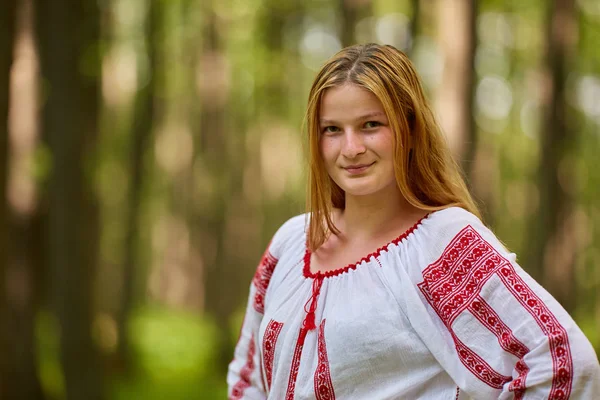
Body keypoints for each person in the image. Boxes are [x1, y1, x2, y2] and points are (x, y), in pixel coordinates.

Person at [227, 43, 600, 399]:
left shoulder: (441, 241)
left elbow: (562, 362)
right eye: (332, 129)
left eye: (371, 125)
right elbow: (248, 376)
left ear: (409, 130)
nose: (351, 148)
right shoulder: (291, 242)